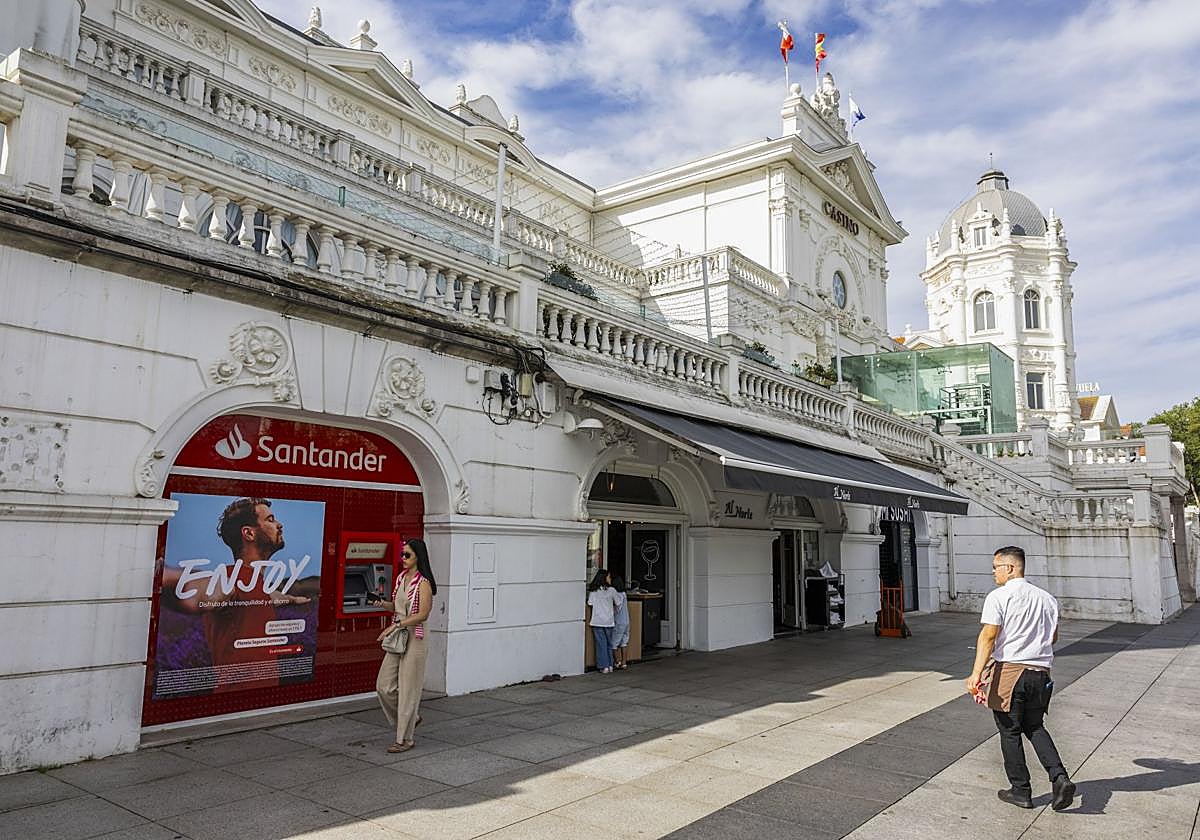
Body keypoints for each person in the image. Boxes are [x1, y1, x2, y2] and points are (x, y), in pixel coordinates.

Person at [159, 497, 312, 693]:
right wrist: (169, 579)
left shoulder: (255, 585)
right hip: (239, 700)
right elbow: (203, 592)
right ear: (249, 533)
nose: (279, 525)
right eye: (271, 519)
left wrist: (294, 600)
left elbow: (267, 596)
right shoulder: (229, 581)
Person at [965, 546, 1075, 811]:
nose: (993, 572)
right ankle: (1059, 777)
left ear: (1011, 567)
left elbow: (988, 636)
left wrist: (976, 674)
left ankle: (1020, 790)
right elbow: (1053, 637)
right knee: (1035, 726)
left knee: (1009, 730)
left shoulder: (999, 596)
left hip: (1011, 672)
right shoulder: (1047, 599)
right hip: (1041, 673)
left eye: (996, 567)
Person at [375, 538, 436, 753]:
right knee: (384, 686)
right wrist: (383, 604)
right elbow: (398, 607)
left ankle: (404, 739)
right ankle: (413, 717)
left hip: (415, 637)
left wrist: (396, 625)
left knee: (408, 689)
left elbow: (422, 614)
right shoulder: (401, 578)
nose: (403, 558)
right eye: (402, 554)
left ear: (418, 556)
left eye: (407, 555)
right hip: (399, 635)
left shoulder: (424, 583)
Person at [587, 569, 619, 674]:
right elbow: (618, 602)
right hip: (609, 621)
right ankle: (610, 665)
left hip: (597, 620)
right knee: (609, 643)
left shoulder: (594, 591)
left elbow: (590, 603)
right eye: (609, 577)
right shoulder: (612, 590)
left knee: (601, 644)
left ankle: (604, 666)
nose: (610, 579)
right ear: (604, 578)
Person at [611, 575, 630, 670]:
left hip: (619, 622)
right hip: (626, 621)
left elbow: (617, 608)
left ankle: (617, 661)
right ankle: (624, 663)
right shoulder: (624, 594)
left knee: (613, 643)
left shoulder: (617, 595)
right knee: (624, 643)